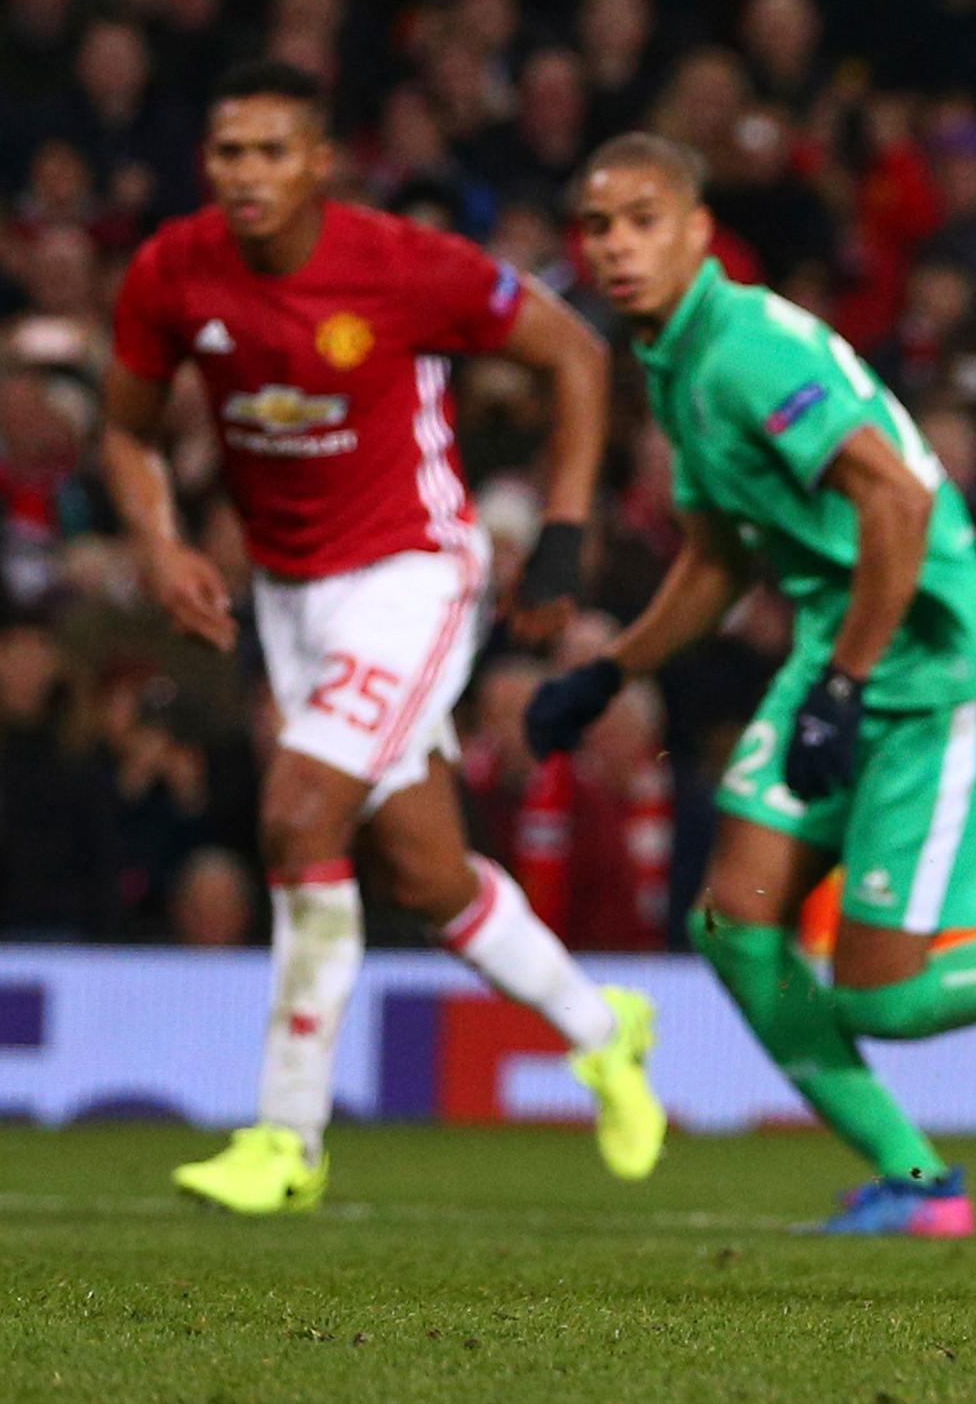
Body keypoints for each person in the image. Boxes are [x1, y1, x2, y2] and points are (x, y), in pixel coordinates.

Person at [530, 132, 976, 1238]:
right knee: (734, 921)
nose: (616, 245)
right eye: (597, 225)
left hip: (941, 668)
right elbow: (720, 557)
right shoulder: (677, 362)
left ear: (695, 231)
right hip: (849, 654)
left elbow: (899, 506)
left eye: (641, 220)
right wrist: (612, 669)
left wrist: (845, 685)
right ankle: (920, 1187)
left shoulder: (748, 350)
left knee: (885, 993)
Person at [102, 60, 662, 1214]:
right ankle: (606, 1027)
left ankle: (287, 1138)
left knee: (298, 814)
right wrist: (159, 543)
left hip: (410, 573)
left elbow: (575, 351)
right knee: (423, 870)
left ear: (319, 164)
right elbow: (126, 427)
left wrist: (561, 534)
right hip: (290, 597)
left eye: (270, 152)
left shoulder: (401, 265)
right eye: (227, 153)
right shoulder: (173, 270)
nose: (245, 175)